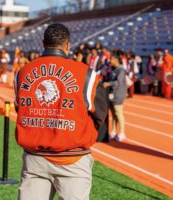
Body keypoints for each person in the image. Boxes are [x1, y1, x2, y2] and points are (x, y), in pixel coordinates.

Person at [14, 23, 108, 200]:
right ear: (67, 45)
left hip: (34, 159)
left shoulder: (22, 73)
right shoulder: (86, 74)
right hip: (72, 160)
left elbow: (20, 108)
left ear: (44, 44)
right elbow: (101, 113)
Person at [103, 51, 127, 142]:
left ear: (116, 60)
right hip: (112, 94)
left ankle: (122, 132)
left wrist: (109, 83)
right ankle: (113, 131)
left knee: (118, 113)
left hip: (118, 94)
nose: (110, 61)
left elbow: (118, 82)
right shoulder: (113, 69)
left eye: (111, 59)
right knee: (113, 114)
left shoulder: (121, 70)